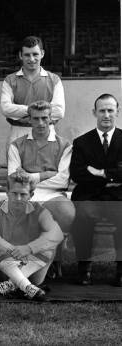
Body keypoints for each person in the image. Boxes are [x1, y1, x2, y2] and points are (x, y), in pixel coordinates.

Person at [7, 100, 75, 277]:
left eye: (45, 118)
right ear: (29, 120)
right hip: (24, 195)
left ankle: (53, 259)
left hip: (53, 194)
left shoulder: (65, 145)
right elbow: (14, 178)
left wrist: (29, 176)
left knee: (66, 212)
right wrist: (45, 174)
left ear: (51, 118)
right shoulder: (17, 144)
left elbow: (62, 179)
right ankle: (22, 262)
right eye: (35, 119)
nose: (40, 123)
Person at [0, 173, 64, 300]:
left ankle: (10, 285)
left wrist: (29, 248)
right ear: (7, 192)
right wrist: (12, 249)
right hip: (3, 268)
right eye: (14, 193)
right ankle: (28, 288)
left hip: (31, 268)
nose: (18, 198)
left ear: (31, 195)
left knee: (49, 246)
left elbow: (57, 234)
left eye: (23, 194)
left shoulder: (40, 211)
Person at [70, 93, 122, 287]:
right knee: (82, 215)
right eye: (102, 110)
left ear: (117, 111)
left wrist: (101, 173)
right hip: (89, 197)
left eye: (110, 110)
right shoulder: (82, 142)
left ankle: (121, 271)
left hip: (117, 198)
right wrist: (113, 177)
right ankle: (84, 269)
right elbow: (77, 174)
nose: (106, 115)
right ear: (94, 113)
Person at [1, 36, 65, 141]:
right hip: (18, 133)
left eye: (35, 54)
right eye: (27, 55)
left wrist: (24, 113)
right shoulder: (9, 80)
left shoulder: (54, 80)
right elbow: (6, 109)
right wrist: (39, 112)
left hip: (47, 133)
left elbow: (59, 111)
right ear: (20, 55)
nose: (31, 59)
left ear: (42, 54)